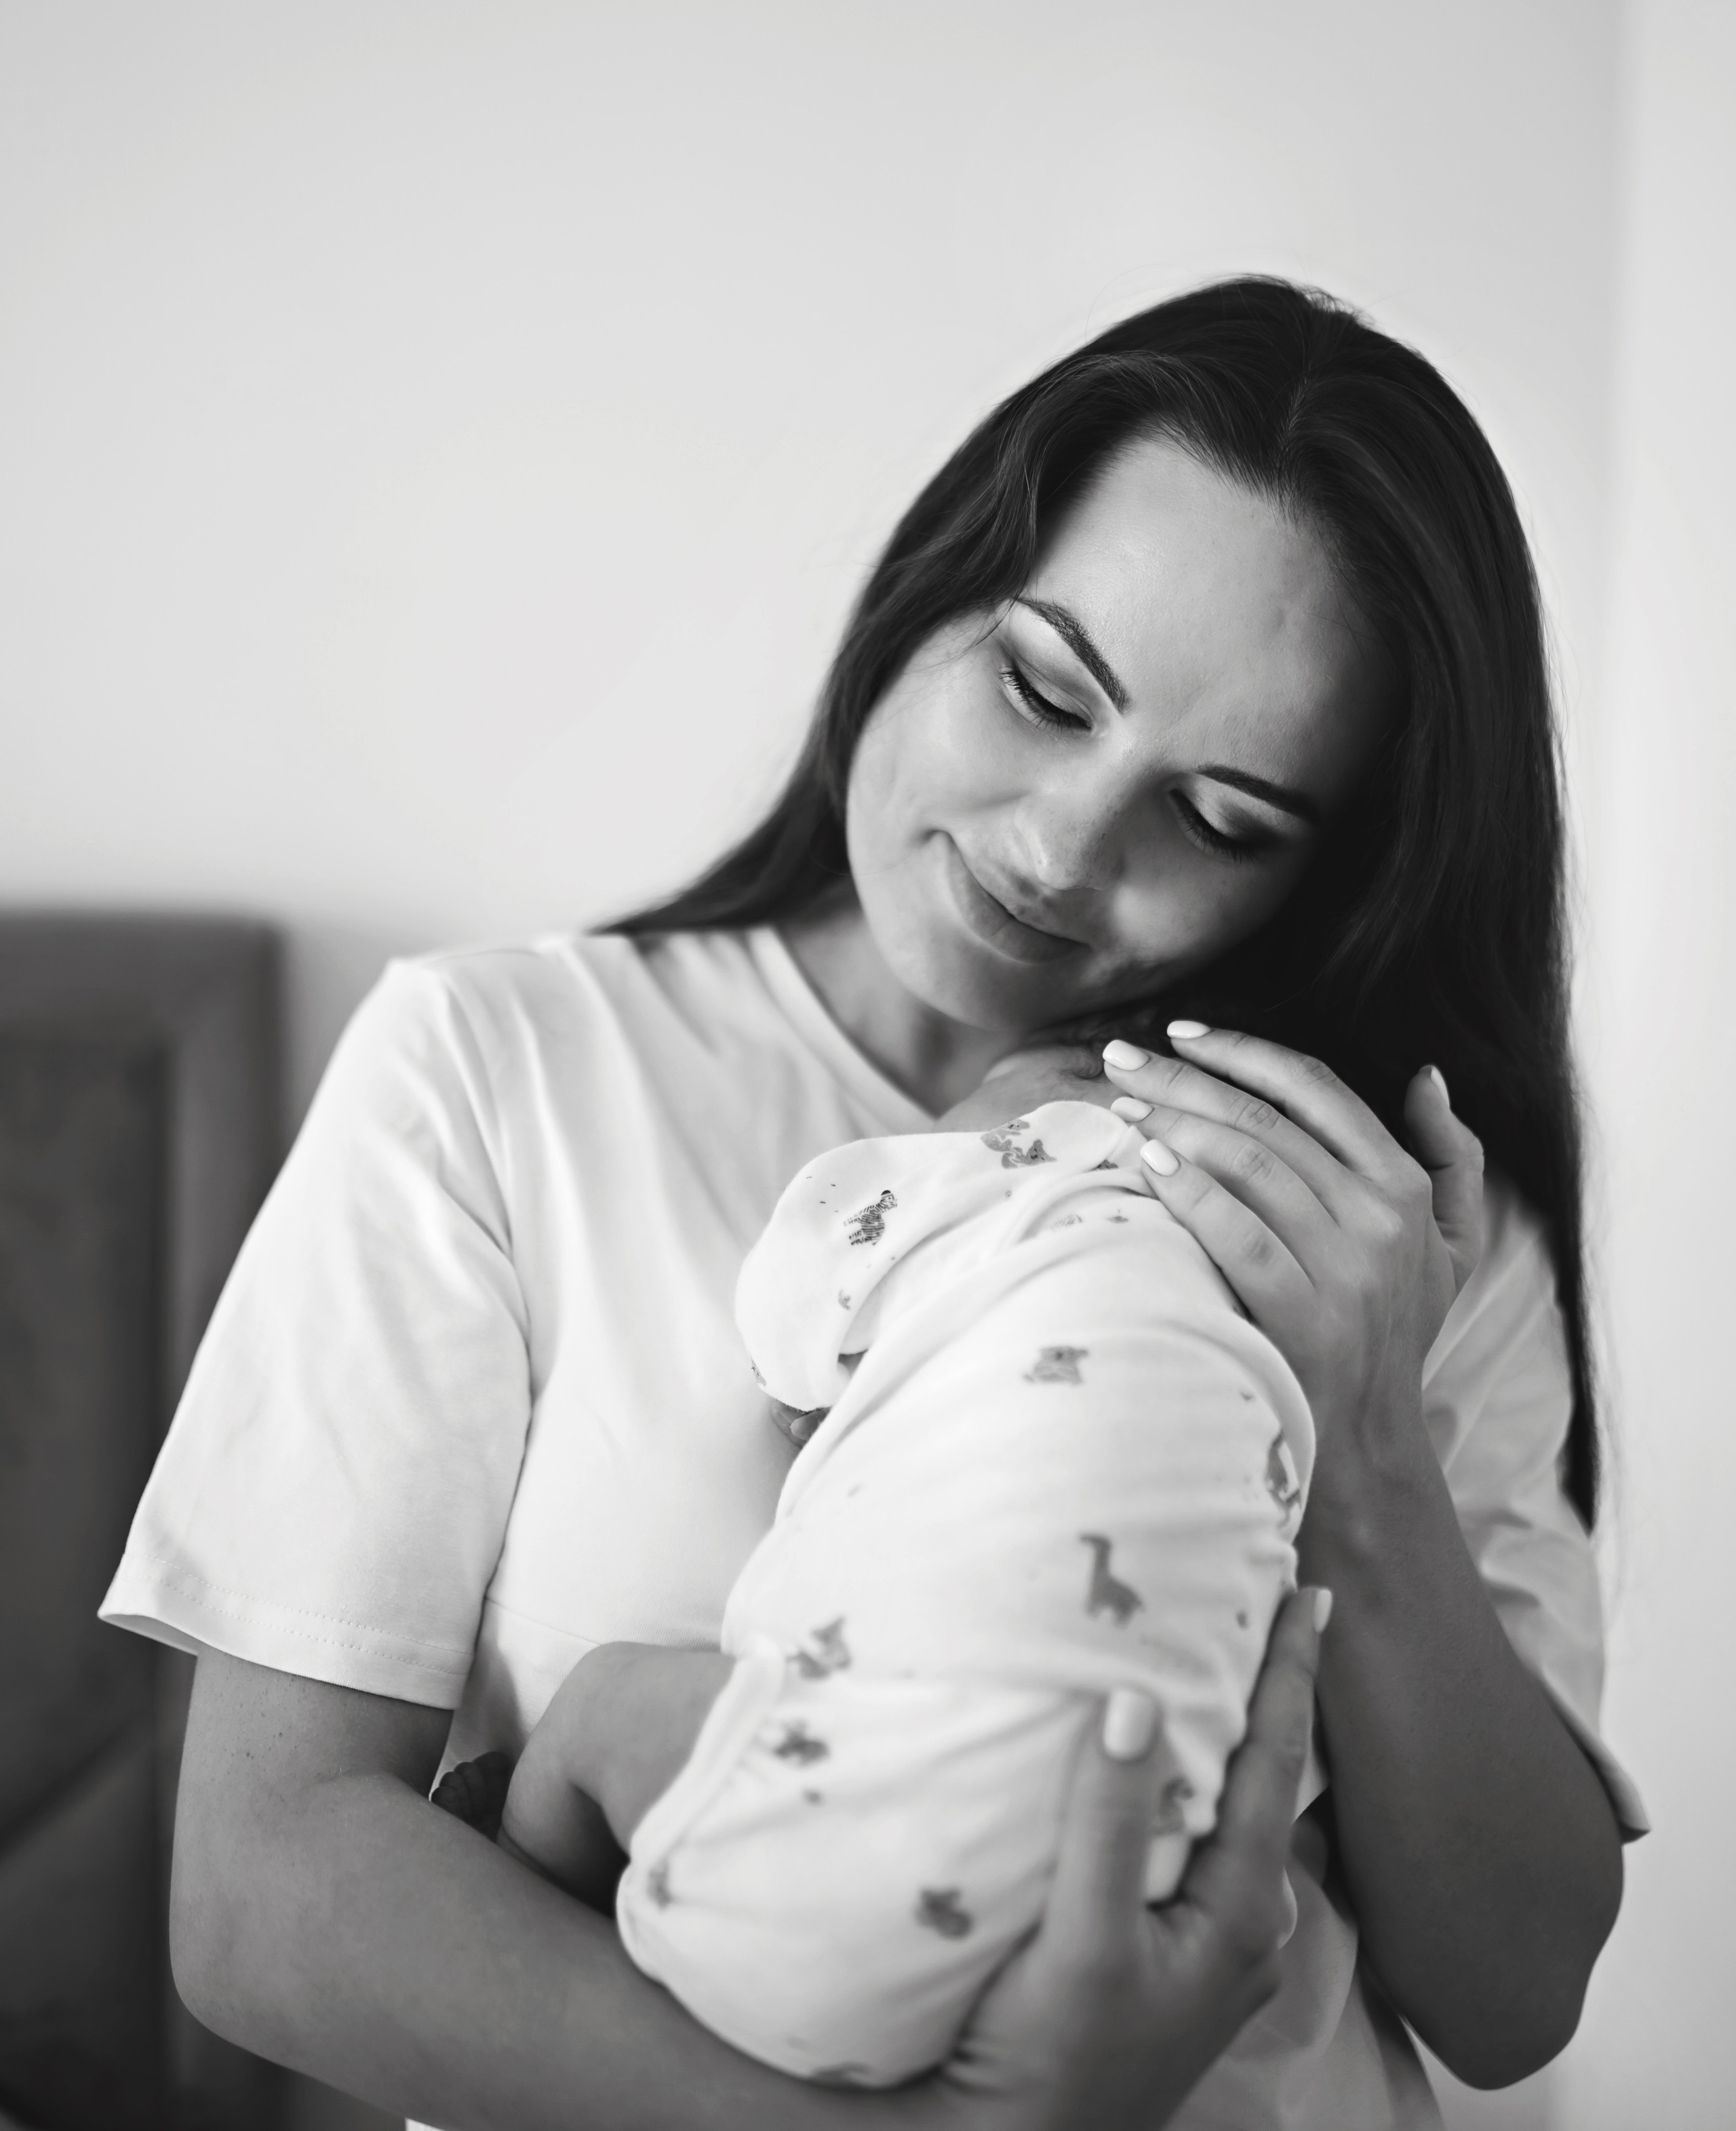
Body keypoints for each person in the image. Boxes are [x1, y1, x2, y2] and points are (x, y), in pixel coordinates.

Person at [102, 277, 1640, 2128]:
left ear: (1342, 866)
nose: (1067, 844)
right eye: (1041, 686)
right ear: (928, 590)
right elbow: (262, 1895)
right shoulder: (499, 1065)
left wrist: (1374, 1456)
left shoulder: (1364, 1203)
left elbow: (1513, 1990)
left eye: (1220, 815)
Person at [489, 1041, 1316, 2086]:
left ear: (1066, 1093)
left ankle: (517, 1859)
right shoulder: (1270, 1334)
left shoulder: (1017, 1161)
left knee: (603, 1698)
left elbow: (784, 1325)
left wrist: (819, 1355)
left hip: (807, 1879)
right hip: (1105, 1932)